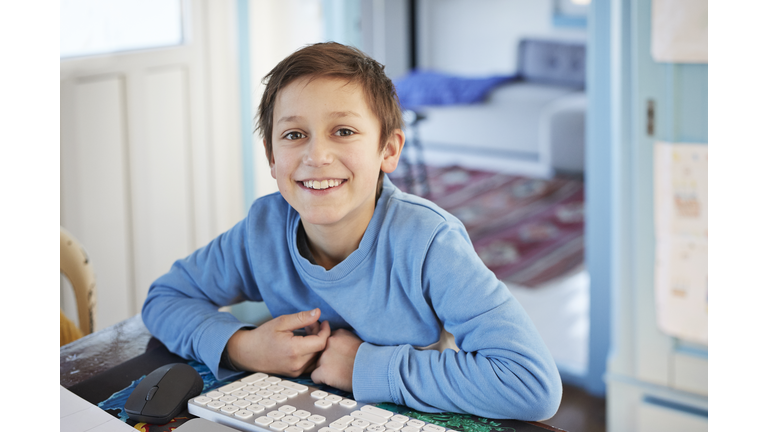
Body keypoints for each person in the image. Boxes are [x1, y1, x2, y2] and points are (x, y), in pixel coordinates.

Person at [142, 42, 561, 421]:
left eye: (343, 131)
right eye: (294, 134)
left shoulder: (430, 242)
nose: (317, 155)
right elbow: (166, 297)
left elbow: (530, 385)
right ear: (272, 157)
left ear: (389, 150)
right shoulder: (263, 230)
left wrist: (364, 365)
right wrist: (241, 347)